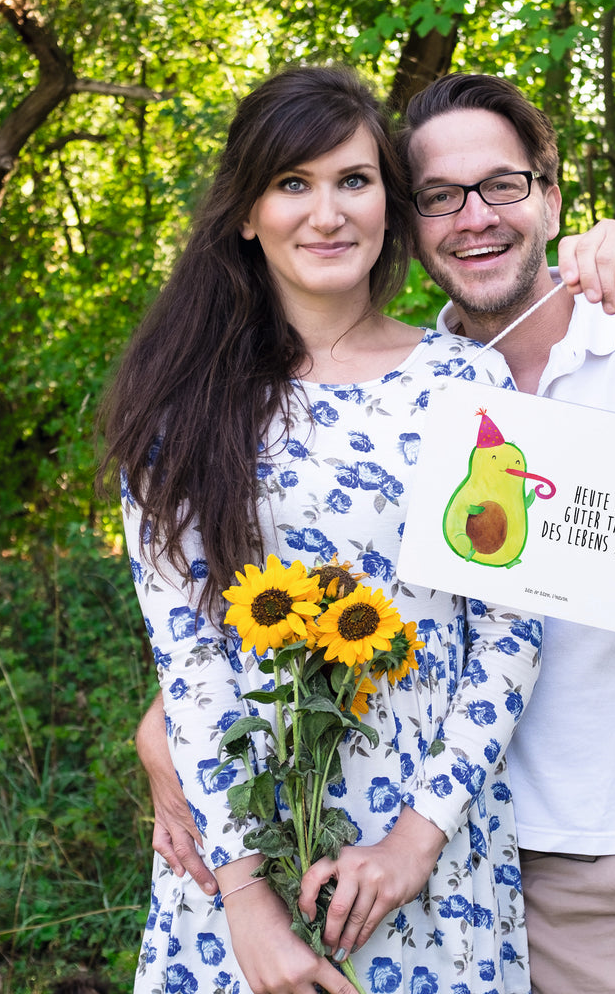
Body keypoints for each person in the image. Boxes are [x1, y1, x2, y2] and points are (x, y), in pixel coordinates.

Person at [139, 72, 615, 994]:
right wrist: (171, 741)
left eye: (502, 185)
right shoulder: (399, 385)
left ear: (549, 195)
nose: (474, 217)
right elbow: (267, 603)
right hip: (357, 844)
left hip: (588, 857)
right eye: (439, 196)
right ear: (411, 220)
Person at [100, 66, 545, 994]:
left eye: (354, 180)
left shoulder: (470, 386)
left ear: (389, 200)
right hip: (239, 855)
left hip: (429, 857)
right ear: (246, 214)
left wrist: (415, 843)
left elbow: (511, 630)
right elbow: (190, 661)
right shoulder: (181, 408)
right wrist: (248, 907)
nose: (328, 213)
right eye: (292, 184)